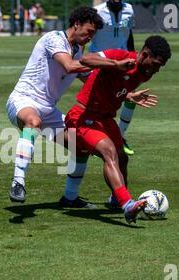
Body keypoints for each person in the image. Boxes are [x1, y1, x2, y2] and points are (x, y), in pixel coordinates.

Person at [7, 6, 135, 207]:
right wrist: (113, 64)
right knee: (33, 121)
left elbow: (89, 79)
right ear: (77, 24)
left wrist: (127, 93)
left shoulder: (79, 51)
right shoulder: (54, 39)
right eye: (89, 32)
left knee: (80, 145)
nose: (89, 38)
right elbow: (69, 66)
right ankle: (18, 182)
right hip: (23, 100)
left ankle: (70, 197)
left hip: (49, 110)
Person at [63, 35, 171, 223]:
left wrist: (128, 96)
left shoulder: (144, 73)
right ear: (144, 54)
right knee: (109, 152)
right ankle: (127, 204)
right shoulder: (120, 56)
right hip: (83, 117)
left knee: (122, 158)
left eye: (160, 66)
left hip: (105, 119)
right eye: (155, 64)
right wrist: (115, 64)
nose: (156, 70)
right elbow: (85, 59)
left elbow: (115, 88)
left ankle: (116, 199)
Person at [89, 0, 136, 157]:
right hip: (100, 59)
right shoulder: (96, 11)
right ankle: (92, 137)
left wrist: (133, 55)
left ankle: (120, 136)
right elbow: (86, 33)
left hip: (122, 59)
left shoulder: (129, 9)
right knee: (98, 100)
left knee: (130, 95)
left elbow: (129, 34)